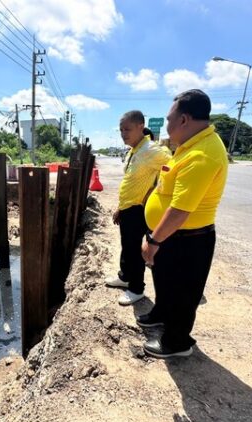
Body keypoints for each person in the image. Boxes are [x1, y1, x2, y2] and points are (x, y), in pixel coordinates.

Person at [139, 89, 228, 358]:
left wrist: (154, 240)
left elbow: (179, 211)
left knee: (183, 294)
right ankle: (161, 314)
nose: (166, 125)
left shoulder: (202, 154)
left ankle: (177, 343)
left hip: (187, 239)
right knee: (165, 282)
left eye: (169, 119)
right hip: (172, 235)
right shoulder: (188, 147)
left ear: (184, 120)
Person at [105, 110, 171, 306]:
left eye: (128, 129)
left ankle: (136, 288)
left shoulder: (151, 150)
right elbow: (130, 182)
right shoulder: (133, 150)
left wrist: (155, 191)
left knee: (134, 250)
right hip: (127, 207)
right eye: (121, 130)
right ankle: (125, 277)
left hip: (138, 209)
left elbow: (173, 167)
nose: (123, 133)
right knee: (127, 246)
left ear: (140, 127)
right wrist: (120, 207)